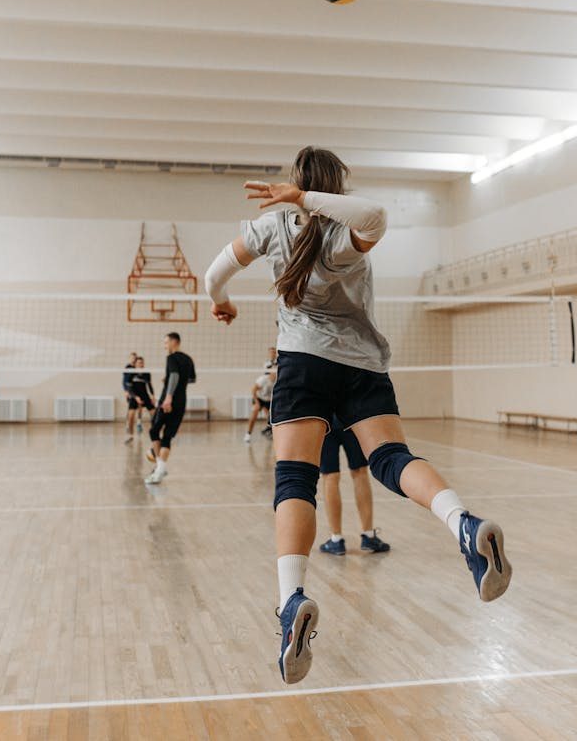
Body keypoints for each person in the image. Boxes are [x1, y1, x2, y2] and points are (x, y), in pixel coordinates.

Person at [204, 146, 510, 685]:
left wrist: (222, 299)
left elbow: (213, 274)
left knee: (294, 480)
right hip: (362, 366)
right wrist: (308, 200)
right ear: (338, 184)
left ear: (299, 182)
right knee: (392, 459)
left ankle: (291, 600)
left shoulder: (271, 226)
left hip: (301, 362)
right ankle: (463, 524)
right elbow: (376, 217)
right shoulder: (348, 233)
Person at [318, 417, 391, 555]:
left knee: (330, 476)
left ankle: (336, 540)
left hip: (325, 419)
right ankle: (369, 536)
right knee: (360, 473)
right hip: (350, 418)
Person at [145, 332, 195, 485]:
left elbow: (174, 375)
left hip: (169, 402)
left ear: (174, 342)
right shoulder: (188, 359)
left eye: (166, 342)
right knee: (167, 436)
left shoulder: (171, 358)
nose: (164, 346)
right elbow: (191, 379)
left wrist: (168, 397)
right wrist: (171, 381)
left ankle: (160, 467)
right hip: (181, 402)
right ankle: (161, 469)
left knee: (154, 431)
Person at [125, 356, 155, 443]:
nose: (140, 364)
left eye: (142, 363)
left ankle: (157, 434)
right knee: (131, 415)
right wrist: (135, 397)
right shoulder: (130, 373)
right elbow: (129, 388)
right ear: (135, 364)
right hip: (135, 396)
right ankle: (130, 436)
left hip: (144, 395)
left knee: (156, 414)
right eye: (139, 363)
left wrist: (153, 396)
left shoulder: (146, 373)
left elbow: (149, 385)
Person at [244, 366, 275, 443]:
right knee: (255, 412)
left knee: (270, 417)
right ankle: (248, 434)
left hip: (269, 400)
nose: (275, 372)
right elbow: (253, 390)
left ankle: (269, 431)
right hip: (259, 398)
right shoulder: (263, 379)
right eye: (274, 370)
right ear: (270, 371)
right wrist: (257, 403)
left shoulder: (278, 380)